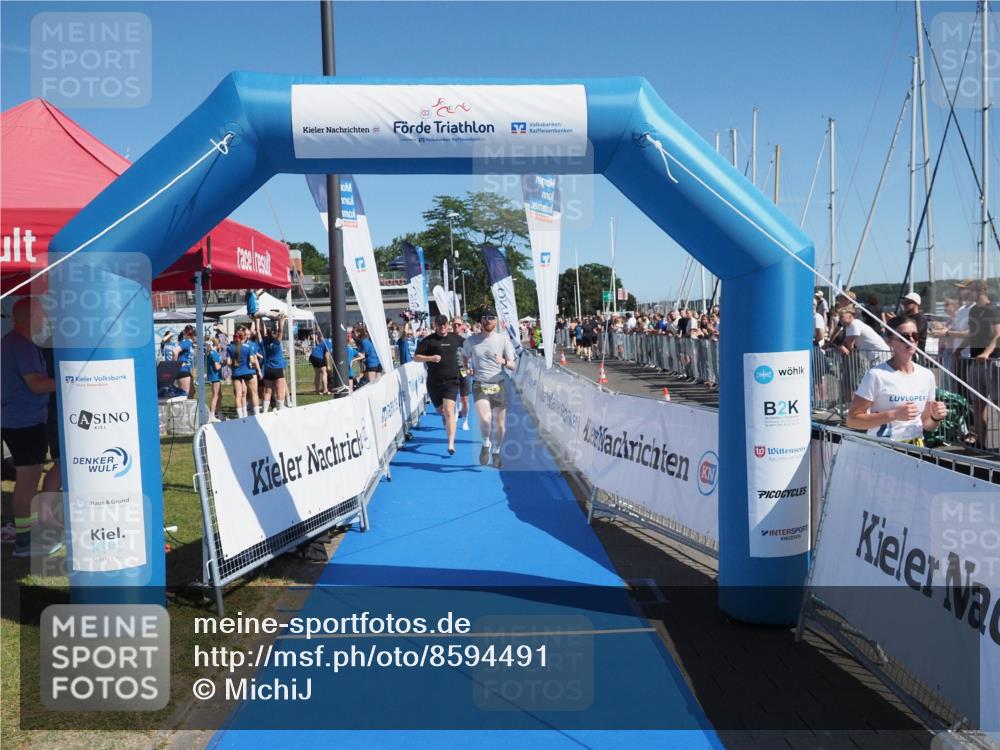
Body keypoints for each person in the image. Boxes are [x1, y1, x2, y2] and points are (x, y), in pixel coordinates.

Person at [1, 298, 62, 557]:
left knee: (27, 479)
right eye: (40, 315)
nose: (44, 319)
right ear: (29, 317)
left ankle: (25, 536)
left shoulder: (13, 344)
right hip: (23, 421)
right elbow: (37, 384)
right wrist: (70, 379)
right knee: (27, 481)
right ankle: (25, 542)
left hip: (18, 419)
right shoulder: (21, 345)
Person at [847, 316, 947, 446]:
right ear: (890, 341)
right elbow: (852, 420)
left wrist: (935, 417)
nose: (911, 340)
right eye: (904, 336)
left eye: (915, 335)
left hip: (915, 449)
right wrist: (894, 414)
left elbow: (927, 425)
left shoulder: (927, 375)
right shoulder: (876, 375)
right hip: (883, 449)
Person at [463, 309, 517, 468]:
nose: (488, 321)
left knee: (500, 425)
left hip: (498, 384)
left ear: (496, 321)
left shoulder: (503, 340)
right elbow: (463, 359)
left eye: (491, 318)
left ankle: (496, 451)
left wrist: (504, 361)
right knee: (485, 419)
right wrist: (465, 370)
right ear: (480, 320)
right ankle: (486, 444)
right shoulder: (471, 341)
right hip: (480, 384)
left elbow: (513, 365)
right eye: (485, 318)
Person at [414, 315, 465, 455]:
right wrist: (430, 358)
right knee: (441, 411)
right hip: (434, 382)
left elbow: (470, 346)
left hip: (452, 380)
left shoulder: (455, 338)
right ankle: (448, 426)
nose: (443, 328)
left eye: (445, 325)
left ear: (448, 325)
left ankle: (451, 444)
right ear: (435, 325)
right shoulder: (429, 340)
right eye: (440, 325)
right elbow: (416, 357)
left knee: (449, 410)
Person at [957, 280, 1000, 448]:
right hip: (976, 361)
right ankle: (980, 443)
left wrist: (987, 352)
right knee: (977, 403)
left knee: (997, 402)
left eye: (968, 291)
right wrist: (959, 349)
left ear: (979, 291)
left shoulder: (994, 310)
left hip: (992, 361)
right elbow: (972, 333)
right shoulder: (973, 310)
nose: (965, 294)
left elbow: (998, 335)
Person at [261, 313, 288, 412]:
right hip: (277, 369)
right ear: (274, 334)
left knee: (267, 391)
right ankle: (280, 408)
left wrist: (260, 319)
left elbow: (262, 331)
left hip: (268, 369)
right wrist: (282, 321)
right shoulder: (276, 343)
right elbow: (280, 332)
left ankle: (264, 411)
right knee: (279, 390)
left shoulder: (264, 342)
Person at [227, 330, 256, 419]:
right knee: (254, 393)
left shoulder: (230, 347)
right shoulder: (248, 347)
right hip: (247, 372)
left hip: (236, 373)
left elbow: (228, 362)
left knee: (239, 395)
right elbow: (252, 360)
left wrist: (234, 366)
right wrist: (254, 364)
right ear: (243, 337)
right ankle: (256, 413)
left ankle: (241, 416)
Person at [452, 317, 472, 431]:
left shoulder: (468, 339)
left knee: (465, 398)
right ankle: (455, 414)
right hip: (452, 370)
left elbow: (473, 353)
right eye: (454, 325)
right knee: (452, 397)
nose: (456, 327)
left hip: (464, 369)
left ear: (462, 326)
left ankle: (465, 420)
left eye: (458, 325)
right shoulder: (448, 337)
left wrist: (472, 367)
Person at [206, 336, 224, 421]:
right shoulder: (214, 353)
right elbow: (217, 367)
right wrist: (223, 364)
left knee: (219, 395)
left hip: (215, 377)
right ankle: (212, 415)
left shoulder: (213, 352)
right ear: (217, 344)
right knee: (215, 396)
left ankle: (219, 413)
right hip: (215, 377)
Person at [175, 325, 195, 396]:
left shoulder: (189, 343)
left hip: (186, 370)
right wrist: (176, 364)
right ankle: (182, 407)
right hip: (182, 370)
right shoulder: (187, 342)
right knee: (185, 395)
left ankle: (187, 407)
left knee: (192, 392)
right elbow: (175, 351)